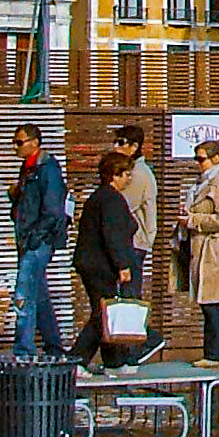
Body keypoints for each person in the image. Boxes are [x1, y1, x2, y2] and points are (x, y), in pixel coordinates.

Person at [71, 155, 142, 378]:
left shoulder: (100, 197)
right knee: (104, 314)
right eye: (126, 174)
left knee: (106, 311)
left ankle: (114, 361)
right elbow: (114, 236)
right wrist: (122, 265)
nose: (129, 179)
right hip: (100, 265)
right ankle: (78, 359)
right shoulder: (111, 200)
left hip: (93, 263)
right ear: (115, 175)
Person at [8, 124, 68, 361]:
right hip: (30, 239)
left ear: (35, 142)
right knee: (39, 294)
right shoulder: (30, 168)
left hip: (36, 241)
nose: (15, 147)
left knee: (24, 295)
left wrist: (33, 237)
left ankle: (24, 351)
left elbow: (53, 210)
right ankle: (53, 345)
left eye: (19, 142)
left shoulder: (46, 169)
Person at [182, 139, 219, 368]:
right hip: (204, 249)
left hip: (215, 250)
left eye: (201, 158)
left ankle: (217, 354)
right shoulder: (204, 182)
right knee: (208, 303)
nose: (198, 163)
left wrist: (193, 220)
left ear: (215, 159)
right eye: (196, 158)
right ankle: (216, 352)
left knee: (212, 302)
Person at [110, 124, 158, 305]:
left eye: (121, 142)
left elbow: (123, 204)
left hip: (135, 241)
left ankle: (133, 331)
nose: (116, 147)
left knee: (130, 295)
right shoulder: (132, 170)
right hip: (132, 241)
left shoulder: (137, 174)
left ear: (134, 146)